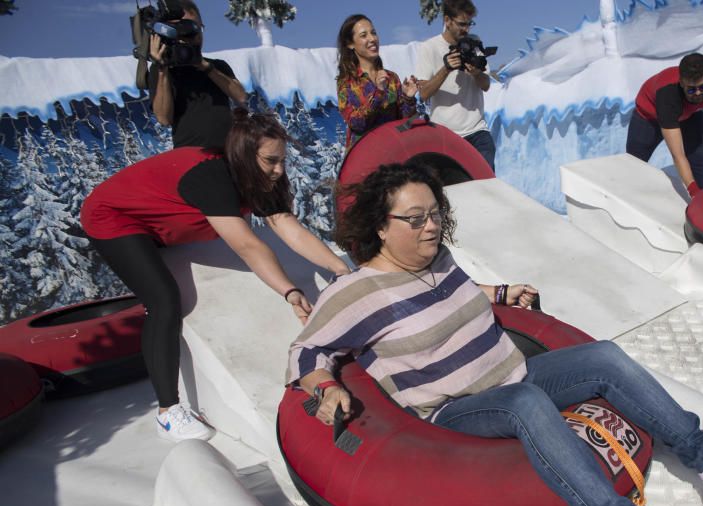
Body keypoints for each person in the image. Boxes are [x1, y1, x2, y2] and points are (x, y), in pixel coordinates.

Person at [286, 162, 703, 506]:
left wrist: (500, 293)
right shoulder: (354, 294)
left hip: (515, 369)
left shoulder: (437, 259)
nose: (431, 227)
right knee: (525, 405)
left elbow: (455, 295)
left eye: (435, 213)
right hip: (458, 408)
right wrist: (326, 387)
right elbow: (306, 350)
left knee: (604, 356)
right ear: (380, 225)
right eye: (415, 219)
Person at [83, 110, 350, 442]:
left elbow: (286, 226)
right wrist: (290, 291)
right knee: (164, 300)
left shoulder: (261, 176)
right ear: (244, 156)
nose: (279, 169)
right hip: (115, 217)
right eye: (271, 160)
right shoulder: (212, 177)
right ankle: (168, 413)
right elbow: (247, 245)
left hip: (164, 221)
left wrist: (341, 270)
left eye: (282, 160)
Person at [626, 53, 703, 197]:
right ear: (681, 83)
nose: (698, 93)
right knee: (633, 164)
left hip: (689, 115)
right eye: (691, 89)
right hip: (648, 116)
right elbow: (678, 155)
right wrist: (692, 191)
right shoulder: (668, 95)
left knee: (699, 161)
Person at [149, 1, 248, 149]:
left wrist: (204, 66)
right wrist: (162, 69)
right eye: (182, 28)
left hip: (227, 152)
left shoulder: (217, 66)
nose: (190, 34)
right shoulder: (163, 70)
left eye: (195, 28)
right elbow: (164, 118)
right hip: (189, 155)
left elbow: (241, 97)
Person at [415, 0, 495, 170]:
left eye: (469, 24)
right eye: (461, 24)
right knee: (451, 192)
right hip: (444, 135)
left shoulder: (475, 42)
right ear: (447, 20)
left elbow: (486, 84)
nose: (466, 29)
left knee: (487, 189)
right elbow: (422, 94)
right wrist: (446, 69)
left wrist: (475, 73)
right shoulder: (429, 47)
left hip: (477, 131)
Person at [336, 14, 418, 151]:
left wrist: (408, 98)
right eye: (364, 35)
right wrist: (378, 93)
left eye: (373, 33)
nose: (372, 39)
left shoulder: (391, 78)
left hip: (393, 153)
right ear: (350, 44)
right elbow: (357, 124)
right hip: (364, 157)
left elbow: (405, 123)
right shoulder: (346, 82)